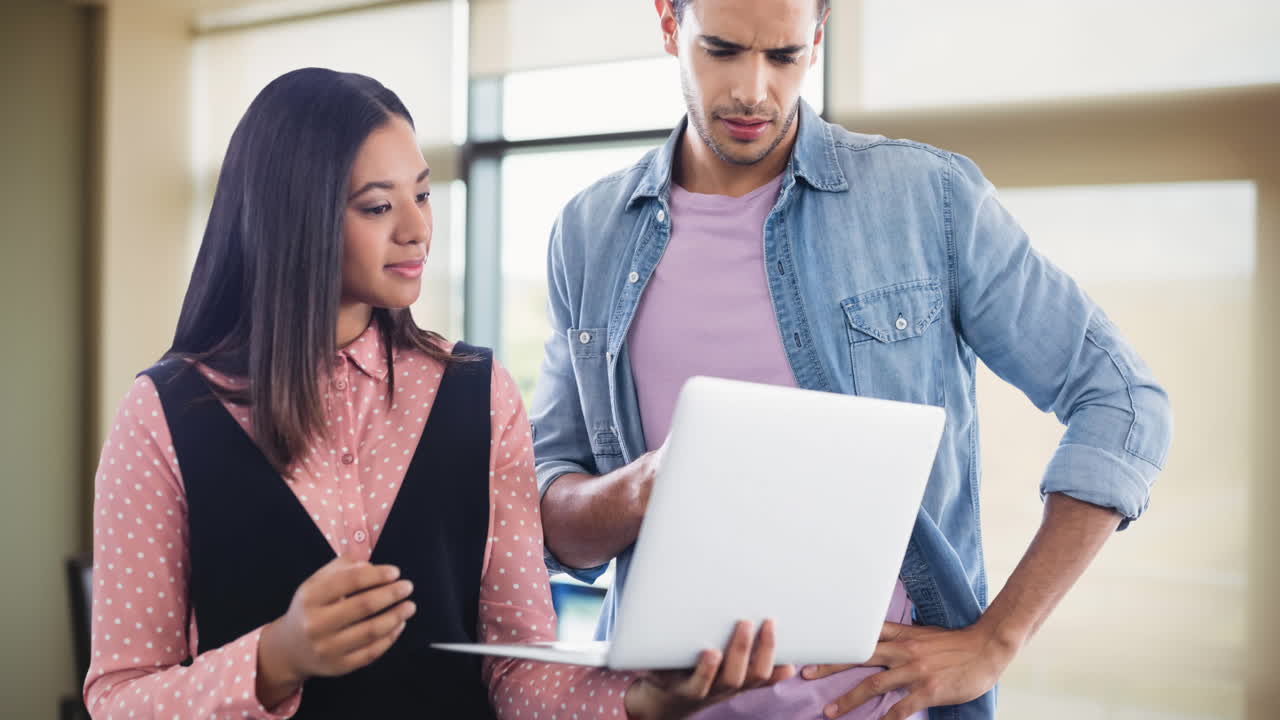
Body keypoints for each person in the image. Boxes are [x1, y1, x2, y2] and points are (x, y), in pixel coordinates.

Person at [529, 2, 1174, 719]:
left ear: (819, 38)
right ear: (668, 24)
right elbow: (551, 517)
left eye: (784, 57)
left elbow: (1123, 402)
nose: (753, 90)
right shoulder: (587, 234)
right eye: (722, 49)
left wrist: (997, 639)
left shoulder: (927, 199)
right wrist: (649, 485)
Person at [82, 67, 790, 720]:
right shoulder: (165, 415)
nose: (418, 228)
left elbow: (520, 675)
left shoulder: (478, 395)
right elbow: (117, 698)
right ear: (293, 218)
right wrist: (273, 661)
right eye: (376, 206)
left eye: (422, 194)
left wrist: (654, 703)